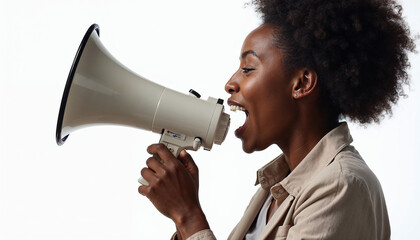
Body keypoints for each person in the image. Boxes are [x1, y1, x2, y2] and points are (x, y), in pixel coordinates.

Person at [138, 0, 416, 239]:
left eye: (248, 68)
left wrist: (188, 215)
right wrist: (181, 215)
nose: (230, 83)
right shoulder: (276, 189)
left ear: (301, 83)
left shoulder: (340, 186)